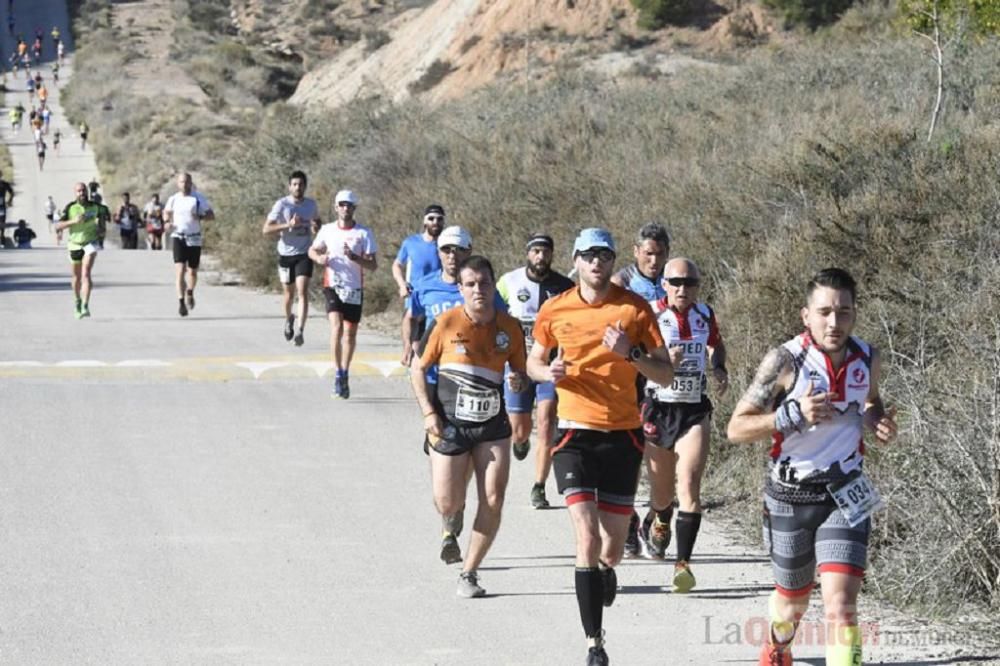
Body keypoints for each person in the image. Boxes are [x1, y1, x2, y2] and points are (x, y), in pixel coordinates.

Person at [726, 268, 898, 666]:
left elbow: (870, 402)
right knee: (792, 603)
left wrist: (878, 420)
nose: (834, 322)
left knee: (841, 605)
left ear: (855, 314)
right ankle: (777, 645)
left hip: (846, 492)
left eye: (843, 312)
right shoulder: (786, 361)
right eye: (824, 312)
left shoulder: (867, 357)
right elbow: (736, 428)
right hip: (789, 496)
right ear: (806, 316)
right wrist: (790, 415)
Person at [526, 228, 673, 666]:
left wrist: (632, 354)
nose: (596, 263)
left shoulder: (635, 308)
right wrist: (544, 373)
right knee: (586, 538)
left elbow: (665, 374)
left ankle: (605, 573)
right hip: (573, 433)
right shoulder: (555, 309)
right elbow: (533, 360)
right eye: (588, 256)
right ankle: (595, 643)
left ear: (613, 261)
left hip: (623, 435)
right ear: (575, 260)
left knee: (610, 549)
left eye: (604, 256)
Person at [411, 255, 527, 598]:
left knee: (493, 497)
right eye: (471, 284)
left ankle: (469, 572)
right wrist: (429, 414)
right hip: (449, 424)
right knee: (447, 501)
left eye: (485, 283)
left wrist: (518, 380)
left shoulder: (510, 327)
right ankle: (452, 517)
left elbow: (519, 371)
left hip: (492, 426)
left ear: (494, 286)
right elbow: (418, 370)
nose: (479, 290)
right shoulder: (444, 323)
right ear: (460, 288)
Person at [408, 226, 508, 566]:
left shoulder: (485, 290)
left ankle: (455, 525)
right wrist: (410, 347)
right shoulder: (426, 286)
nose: (452, 256)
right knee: (446, 482)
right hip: (439, 385)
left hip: (477, 385)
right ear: (439, 253)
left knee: (470, 463)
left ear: (468, 252)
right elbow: (414, 318)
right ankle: (452, 511)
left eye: (458, 250)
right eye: (447, 250)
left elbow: (502, 328)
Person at [639, 258, 728, 594]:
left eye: (690, 283)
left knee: (689, 484)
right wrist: (660, 363)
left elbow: (716, 345)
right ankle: (660, 517)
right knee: (662, 494)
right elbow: (631, 357)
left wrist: (719, 367)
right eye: (675, 282)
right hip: (659, 410)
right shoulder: (648, 313)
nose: (682, 289)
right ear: (664, 284)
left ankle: (683, 565)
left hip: (693, 410)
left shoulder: (705, 314)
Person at [496, 233, 574, 509]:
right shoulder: (508, 282)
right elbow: (495, 319)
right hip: (517, 367)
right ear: (528, 253)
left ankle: (539, 486)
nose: (541, 257)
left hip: (548, 368)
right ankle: (520, 442)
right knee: (519, 430)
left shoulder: (565, 286)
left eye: (546, 252)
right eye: (536, 251)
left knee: (545, 423)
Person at [610, 221, 672, 557]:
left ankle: (656, 516)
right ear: (636, 252)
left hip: (668, 383)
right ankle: (630, 520)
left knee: (664, 460)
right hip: (634, 380)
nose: (655, 260)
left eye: (660, 253)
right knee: (633, 455)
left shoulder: (673, 280)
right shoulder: (622, 283)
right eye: (649, 253)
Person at [308, 189, 377, 398]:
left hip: (354, 288)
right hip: (333, 286)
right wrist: (319, 259)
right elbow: (312, 250)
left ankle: (345, 372)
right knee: (336, 328)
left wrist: (356, 258)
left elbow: (373, 265)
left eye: (349, 205)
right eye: (342, 205)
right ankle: (337, 372)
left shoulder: (364, 233)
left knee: (350, 333)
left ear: (354, 209)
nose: (345, 208)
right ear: (336, 207)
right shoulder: (328, 230)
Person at [263, 170, 322, 346]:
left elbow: (317, 224)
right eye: (294, 184)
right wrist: (288, 225)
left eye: (301, 184)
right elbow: (266, 229)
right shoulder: (282, 205)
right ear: (289, 187)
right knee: (288, 294)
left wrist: (315, 226)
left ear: (305, 186)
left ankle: (300, 330)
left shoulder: (311, 205)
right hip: (285, 254)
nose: (298, 187)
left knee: (302, 291)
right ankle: (289, 318)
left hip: (304, 254)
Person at [392, 204, 444, 365]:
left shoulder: (446, 245)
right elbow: (397, 265)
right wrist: (402, 285)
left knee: (428, 339)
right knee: (412, 326)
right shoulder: (411, 242)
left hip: (437, 295)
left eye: (439, 219)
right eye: (431, 218)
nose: (435, 222)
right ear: (424, 221)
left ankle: (421, 365)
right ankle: (408, 351)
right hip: (415, 295)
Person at [163, 172, 214, 316]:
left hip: (194, 238)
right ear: (177, 184)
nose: (184, 185)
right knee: (180, 271)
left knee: (192, 271)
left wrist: (200, 216)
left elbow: (211, 215)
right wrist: (167, 222)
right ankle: (181, 303)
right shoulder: (173, 199)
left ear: (191, 183)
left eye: (186, 182)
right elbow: (166, 212)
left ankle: (190, 292)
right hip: (178, 237)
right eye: (181, 182)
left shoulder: (198, 198)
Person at [55, 183, 102, 318]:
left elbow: (101, 222)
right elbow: (58, 226)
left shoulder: (94, 207)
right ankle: (77, 301)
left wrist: (101, 228)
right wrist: (73, 221)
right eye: (78, 191)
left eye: (83, 190)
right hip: (75, 244)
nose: (81, 193)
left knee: (86, 272)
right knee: (76, 277)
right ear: (75, 193)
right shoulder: (70, 208)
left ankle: (85, 305)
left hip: (90, 242)